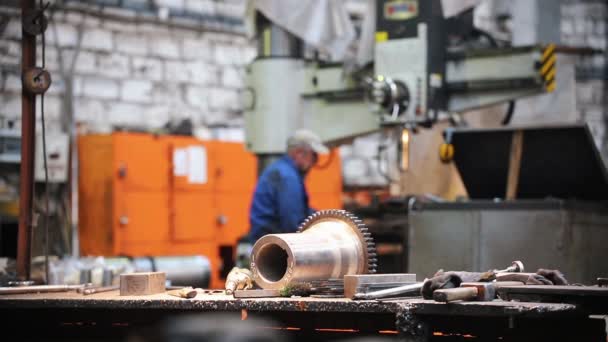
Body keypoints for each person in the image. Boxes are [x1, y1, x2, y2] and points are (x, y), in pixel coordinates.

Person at [247, 129, 329, 243]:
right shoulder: (287, 177)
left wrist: (324, 218)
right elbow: (292, 222)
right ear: (299, 153)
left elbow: (300, 211)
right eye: (313, 155)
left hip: (266, 238)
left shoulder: (282, 170)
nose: (314, 162)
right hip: (273, 242)